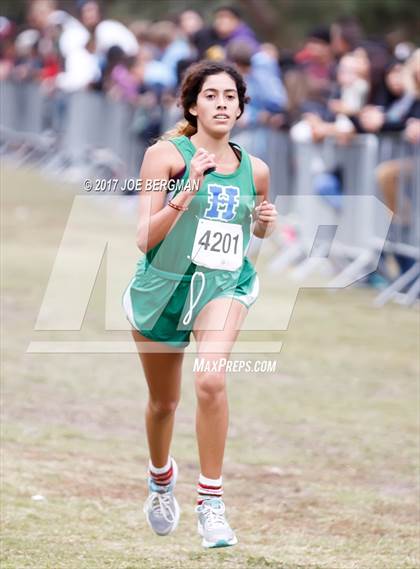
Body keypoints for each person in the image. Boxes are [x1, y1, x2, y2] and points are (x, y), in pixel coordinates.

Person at [121, 60, 277, 548]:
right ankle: (160, 477)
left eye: (231, 96)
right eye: (211, 95)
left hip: (221, 287)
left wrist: (265, 224)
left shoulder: (257, 169)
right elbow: (145, 238)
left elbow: (250, 232)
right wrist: (186, 190)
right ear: (192, 105)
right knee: (163, 403)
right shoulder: (165, 155)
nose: (222, 103)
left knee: (210, 379)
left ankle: (211, 503)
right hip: (163, 288)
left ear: (241, 106)